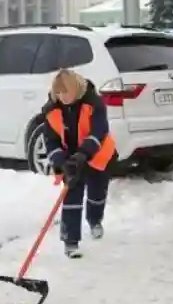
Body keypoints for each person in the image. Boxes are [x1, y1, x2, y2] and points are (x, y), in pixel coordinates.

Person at [41, 69, 117, 259]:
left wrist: (83, 154)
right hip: (70, 158)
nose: (62, 96)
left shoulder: (94, 103)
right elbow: (51, 141)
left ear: (76, 89)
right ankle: (70, 241)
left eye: (66, 92)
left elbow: (99, 131)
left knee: (97, 193)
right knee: (72, 195)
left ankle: (94, 220)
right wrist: (62, 161)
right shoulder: (51, 111)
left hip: (97, 154)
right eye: (58, 92)